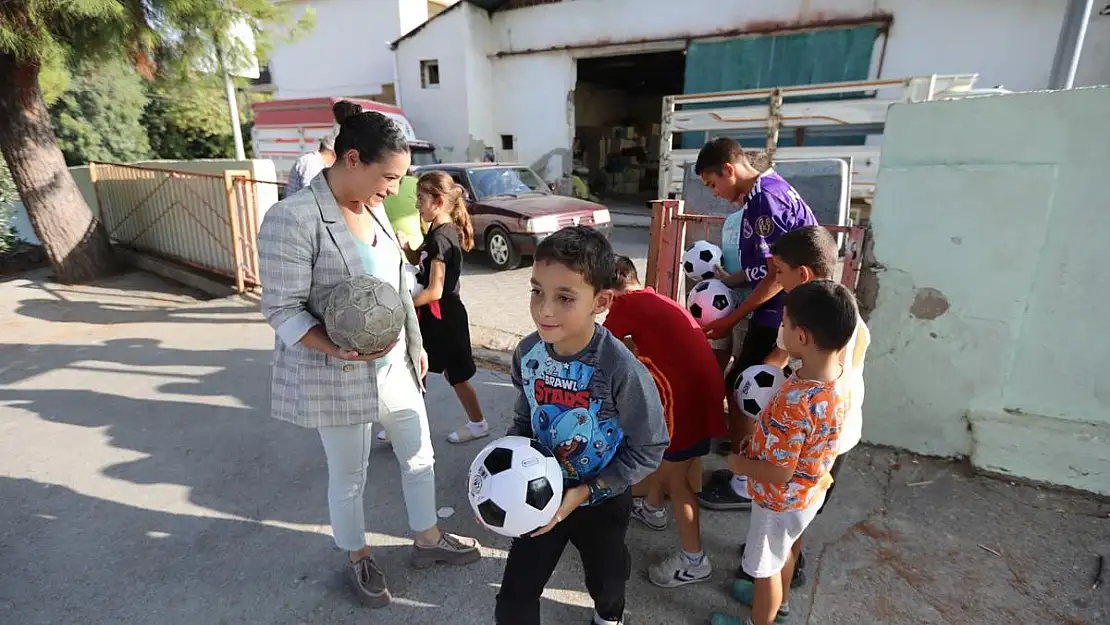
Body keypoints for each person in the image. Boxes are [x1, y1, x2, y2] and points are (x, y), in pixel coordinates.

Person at [257, 111, 481, 610]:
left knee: (420, 456)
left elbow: (399, 283)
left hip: (395, 366)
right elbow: (280, 308)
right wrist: (334, 347)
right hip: (339, 372)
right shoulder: (292, 217)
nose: (394, 189)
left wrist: (416, 346)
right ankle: (357, 555)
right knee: (349, 475)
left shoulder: (373, 206)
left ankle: (427, 539)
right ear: (352, 159)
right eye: (389, 177)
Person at [495, 226, 670, 625]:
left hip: (603, 501)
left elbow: (650, 447)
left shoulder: (620, 369)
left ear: (601, 301)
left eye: (564, 297)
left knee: (606, 581)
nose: (545, 310)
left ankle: (609, 617)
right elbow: (525, 419)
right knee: (514, 600)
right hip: (537, 496)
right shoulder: (527, 352)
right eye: (537, 291)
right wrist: (499, 479)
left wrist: (590, 489)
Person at [729, 225, 872, 589]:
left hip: (813, 434)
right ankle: (783, 555)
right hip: (838, 431)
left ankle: (774, 577)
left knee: (790, 507)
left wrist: (768, 398)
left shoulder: (803, 320)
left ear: (802, 274)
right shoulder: (841, 311)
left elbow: (779, 471)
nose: (776, 279)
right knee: (804, 504)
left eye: (779, 272)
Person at [710, 280, 858, 625]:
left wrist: (738, 462)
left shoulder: (796, 402)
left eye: (785, 323)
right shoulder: (836, 380)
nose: (781, 329)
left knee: (765, 571)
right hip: (809, 492)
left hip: (779, 500)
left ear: (802, 337)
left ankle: (762, 616)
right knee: (786, 551)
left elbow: (780, 472)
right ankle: (782, 605)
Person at [693, 137, 818, 511]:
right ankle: (748, 468)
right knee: (750, 387)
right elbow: (761, 268)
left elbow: (776, 277)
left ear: (729, 170)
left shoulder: (765, 199)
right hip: (780, 311)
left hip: (784, 312)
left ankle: (745, 484)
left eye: (713, 184)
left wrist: (732, 316)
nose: (715, 193)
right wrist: (726, 279)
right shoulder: (762, 194)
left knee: (744, 387)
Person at [603, 255, 727, 588]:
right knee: (670, 459)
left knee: (678, 481)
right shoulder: (651, 297)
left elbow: (598, 347)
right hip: (701, 393)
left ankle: (694, 559)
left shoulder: (626, 302)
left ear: (608, 291)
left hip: (684, 400)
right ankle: (653, 508)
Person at [406, 170, 489, 444]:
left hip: (446, 318)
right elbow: (423, 258)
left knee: (458, 376)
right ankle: (407, 425)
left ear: (438, 201)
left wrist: (401, 304)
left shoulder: (443, 236)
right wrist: (407, 250)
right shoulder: (436, 230)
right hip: (433, 317)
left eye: (420, 199)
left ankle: (478, 424)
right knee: (418, 367)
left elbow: (435, 290)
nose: (417, 205)